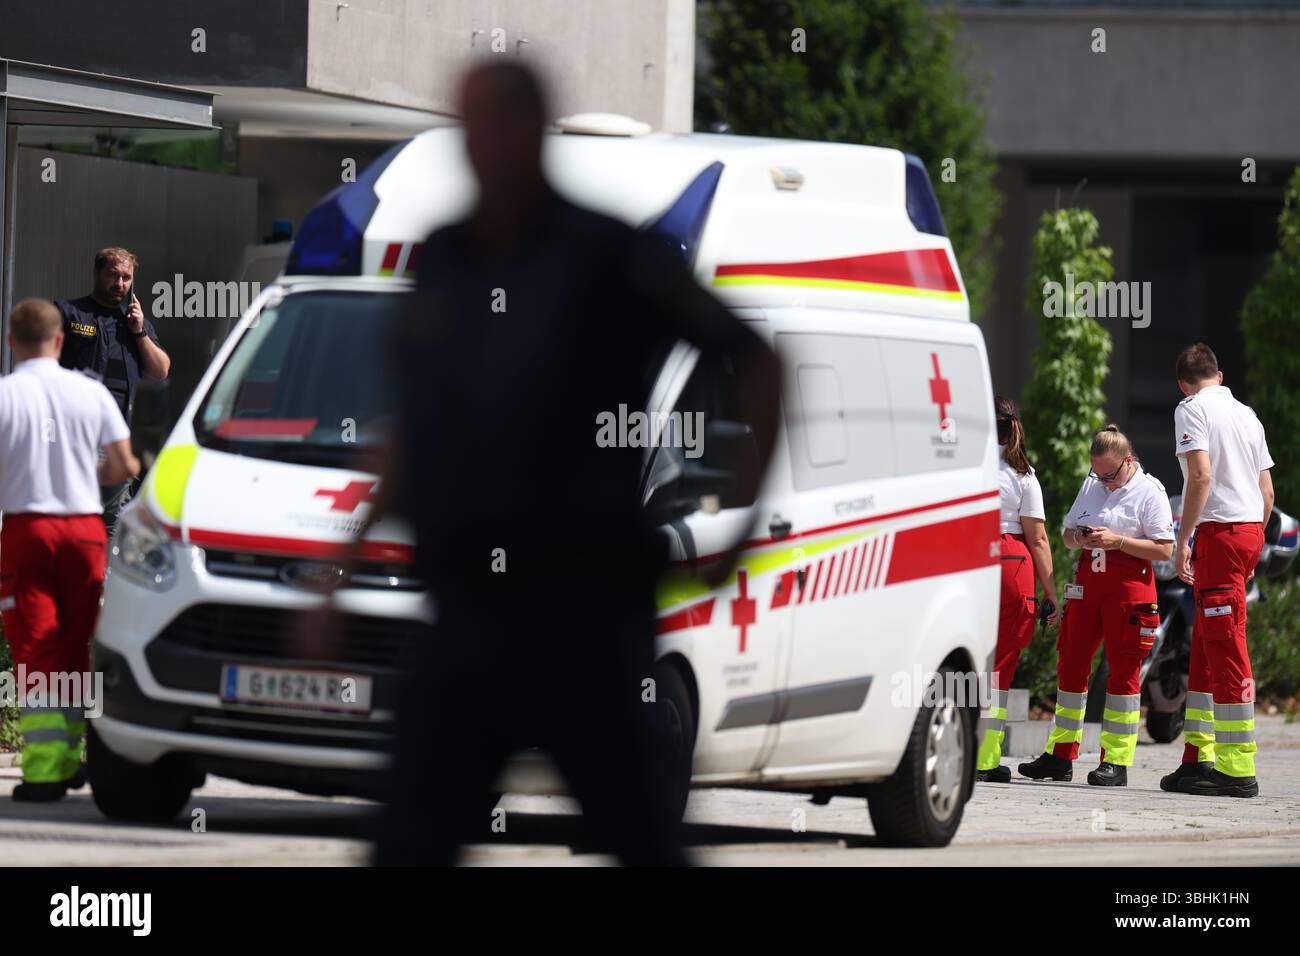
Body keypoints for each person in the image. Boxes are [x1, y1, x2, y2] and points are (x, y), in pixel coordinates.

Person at [338, 61, 782, 865]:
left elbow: (756, 359)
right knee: (407, 844)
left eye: (490, 124)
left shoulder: (612, 256)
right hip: (468, 607)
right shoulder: (444, 258)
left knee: (641, 842)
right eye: (464, 125)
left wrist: (744, 523)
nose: (475, 146)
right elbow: (413, 420)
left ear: (531, 128)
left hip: (585, 616)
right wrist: (338, 564)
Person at [0, 298, 139, 801]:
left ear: (12, 342)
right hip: (84, 531)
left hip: (28, 531)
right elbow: (126, 465)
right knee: (79, 645)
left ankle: (44, 772)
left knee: (37, 646)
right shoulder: (92, 393)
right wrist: (86, 476)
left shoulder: (5, 395)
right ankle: (76, 756)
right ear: (60, 341)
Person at [1020, 425, 1173, 786]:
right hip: (1088, 585)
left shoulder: (1150, 492)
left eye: (1110, 475)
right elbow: (1067, 534)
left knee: (1123, 673)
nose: (1102, 481)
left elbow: (1164, 549)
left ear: (1128, 462)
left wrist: (1118, 541)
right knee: (1071, 664)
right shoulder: (1092, 485)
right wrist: (1080, 538)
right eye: (1097, 474)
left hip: (1129, 589)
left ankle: (1115, 762)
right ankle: (1060, 756)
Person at [1162, 343, 1272, 798]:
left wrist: (1182, 539)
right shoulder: (1247, 414)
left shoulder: (1190, 409)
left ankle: (1236, 767)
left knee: (1224, 645)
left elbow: (1202, 477)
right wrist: (1251, 543)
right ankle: (1198, 757)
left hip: (1219, 533)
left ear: (1183, 383)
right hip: (1245, 531)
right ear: (1220, 375)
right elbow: (1267, 491)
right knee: (1205, 646)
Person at [55, 247, 169, 538]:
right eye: (113, 275)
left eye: (126, 278)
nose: (120, 284)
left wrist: (139, 332)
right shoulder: (69, 313)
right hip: (76, 436)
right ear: (96, 274)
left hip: (118, 439)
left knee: (113, 520)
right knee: (68, 513)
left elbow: (160, 370)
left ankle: (106, 581)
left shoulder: (135, 323)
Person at [976, 396, 1058, 782]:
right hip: (1010, 564)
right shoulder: (1022, 475)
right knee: (999, 668)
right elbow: (1038, 539)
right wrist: (1052, 595)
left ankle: (956, 753)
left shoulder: (963, 467)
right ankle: (985, 759)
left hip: (967, 561)